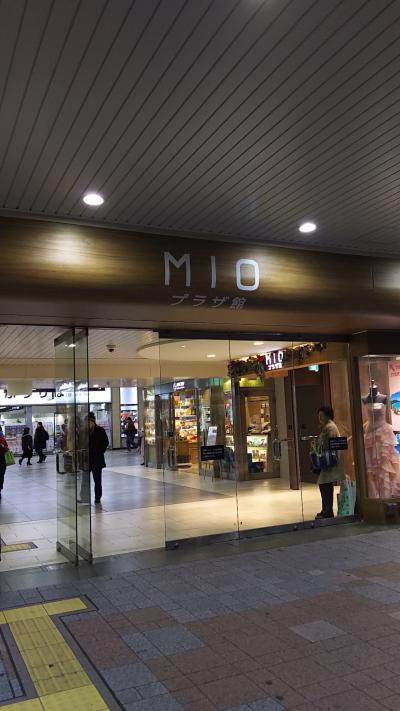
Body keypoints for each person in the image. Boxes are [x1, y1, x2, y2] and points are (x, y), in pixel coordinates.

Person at [314, 406, 345, 519]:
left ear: (328, 415)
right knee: (324, 485)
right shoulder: (327, 426)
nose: (320, 418)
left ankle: (327, 511)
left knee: (325, 485)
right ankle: (326, 510)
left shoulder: (330, 427)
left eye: (322, 415)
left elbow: (329, 444)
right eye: (319, 415)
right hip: (328, 461)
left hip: (330, 462)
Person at [88, 412, 109, 504]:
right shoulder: (84, 431)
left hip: (97, 459)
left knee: (97, 480)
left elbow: (106, 442)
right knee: (84, 480)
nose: (87, 424)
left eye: (89, 422)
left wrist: (100, 451)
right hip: (86, 459)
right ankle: (83, 496)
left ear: (93, 422)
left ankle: (97, 497)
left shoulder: (100, 430)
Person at [0, 428, 9, 499]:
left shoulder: (2, 439)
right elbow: (6, 448)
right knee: (1, 475)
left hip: (1, 461)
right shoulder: (2, 439)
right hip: (1, 461)